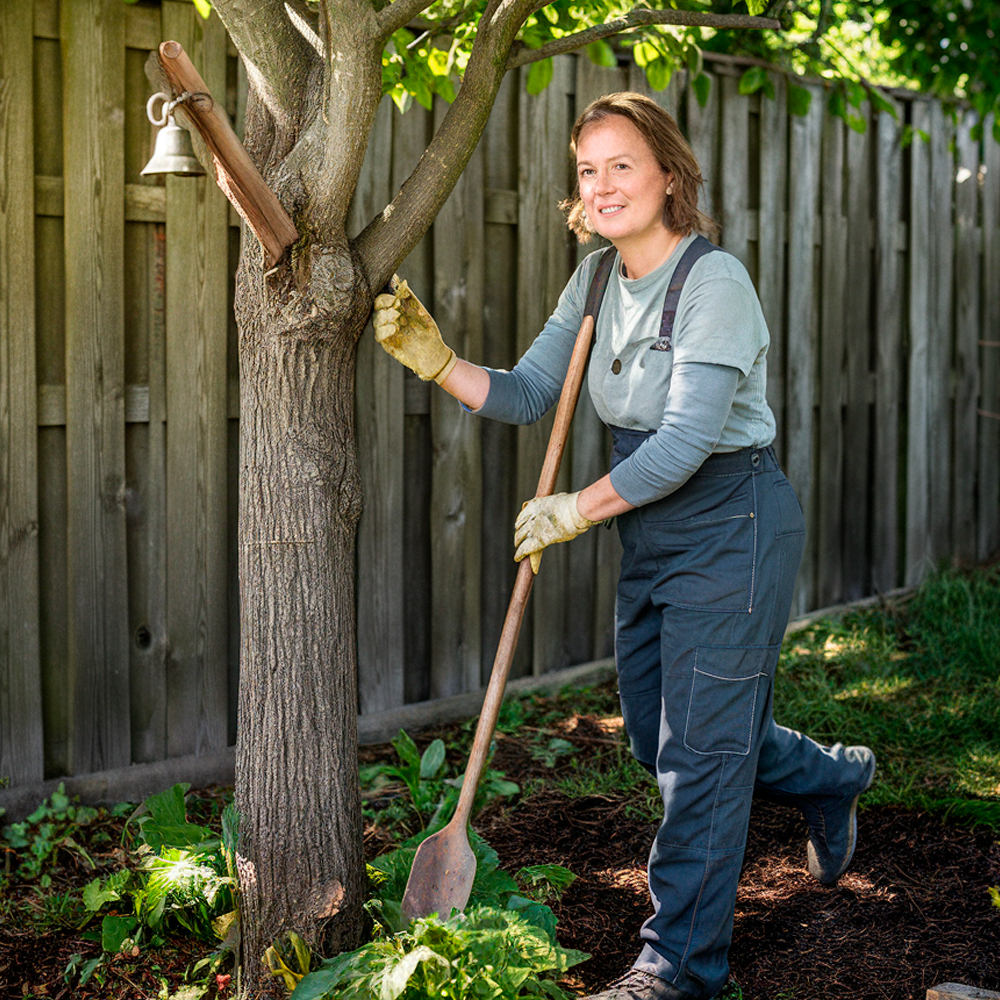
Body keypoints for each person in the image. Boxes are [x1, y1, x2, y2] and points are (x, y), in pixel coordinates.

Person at [372, 91, 875, 1000]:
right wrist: (440, 363)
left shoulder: (714, 284)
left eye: (622, 166)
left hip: (732, 523)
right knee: (659, 737)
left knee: (697, 761)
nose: (602, 187)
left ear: (670, 176)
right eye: (588, 171)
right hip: (645, 522)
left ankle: (679, 966)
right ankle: (828, 779)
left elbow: (685, 445)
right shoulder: (597, 280)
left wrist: (573, 510)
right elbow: (532, 391)